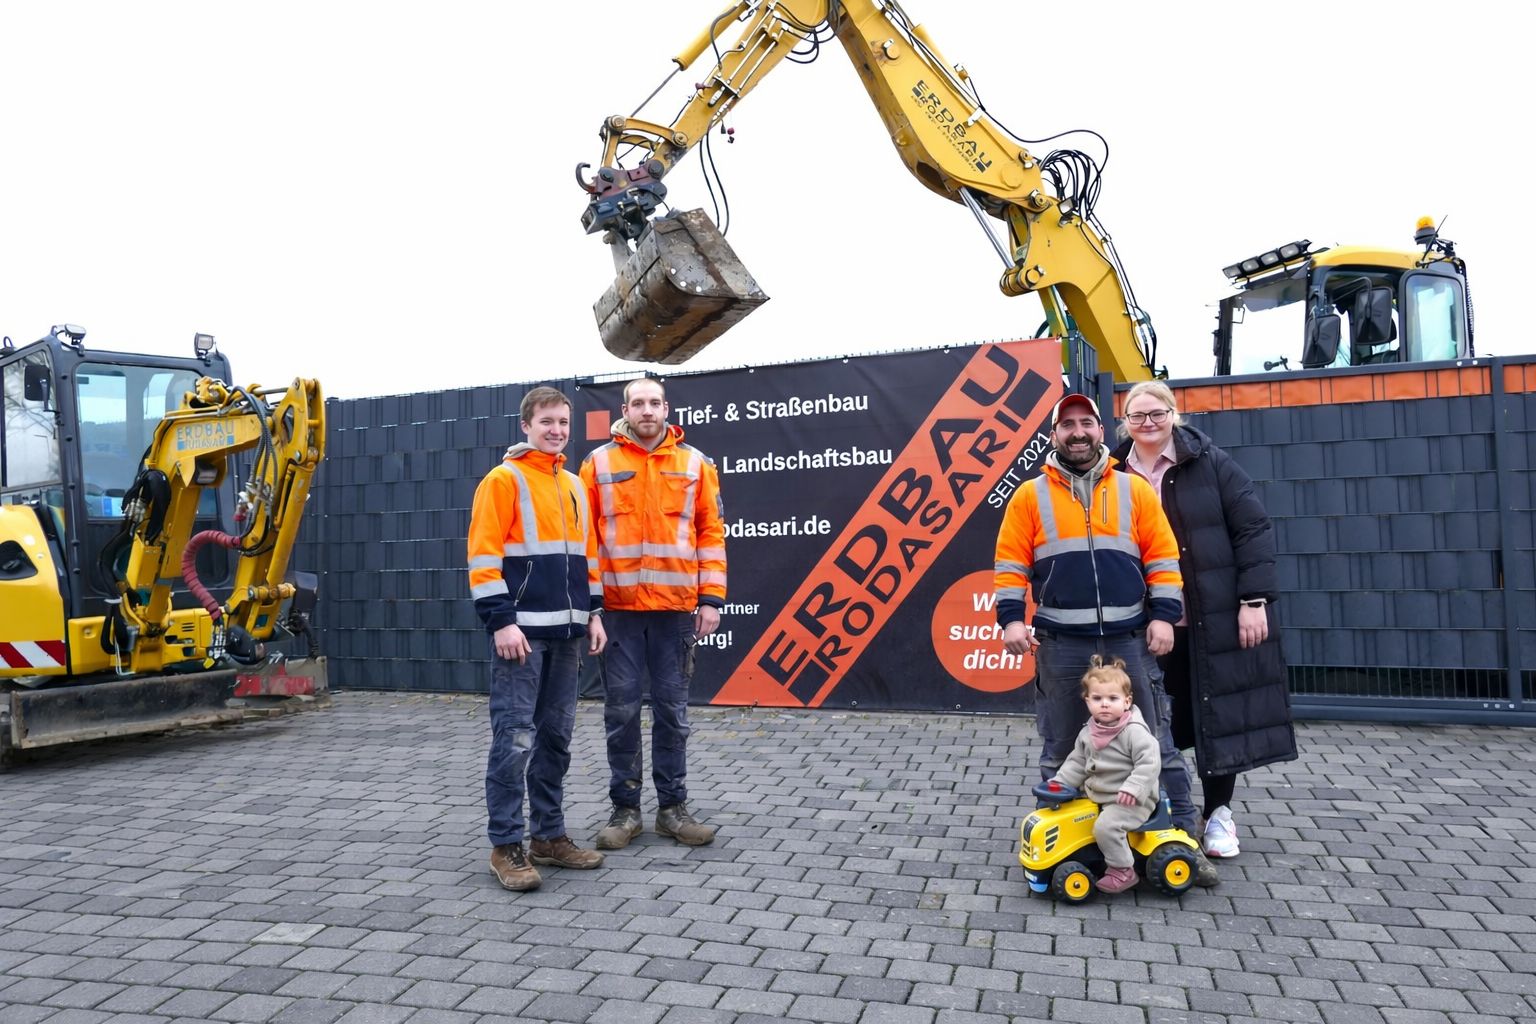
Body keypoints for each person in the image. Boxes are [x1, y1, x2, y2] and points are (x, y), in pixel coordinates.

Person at [995, 391, 1219, 887]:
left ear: (1101, 430)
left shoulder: (1133, 490)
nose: (1077, 433)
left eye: (1086, 423)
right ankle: (1074, 846)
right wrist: (1010, 620)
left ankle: (1184, 840)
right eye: (1067, 425)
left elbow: (1162, 557)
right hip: (1060, 644)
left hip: (1130, 639)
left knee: (1156, 744)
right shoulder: (1029, 496)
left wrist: (1165, 616)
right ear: (1054, 435)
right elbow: (1010, 564)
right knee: (1061, 748)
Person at [1111, 380, 1297, 859]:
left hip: (1207, 616)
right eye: (1137, 416)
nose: (1148, 423)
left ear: (1174, 414)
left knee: (1217, 714)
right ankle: (1162, 810)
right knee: (1152, 719)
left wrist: (1253, 600)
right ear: (1125, 422)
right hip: (1142, 620)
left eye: (1157, 413)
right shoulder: (1111, 468)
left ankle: (1218, 815)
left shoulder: (1211, 462)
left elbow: (1252, 528)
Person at [468, 386, 607, 892]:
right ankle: (506, 844)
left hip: (568, 635)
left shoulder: (573, 485)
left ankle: (548, 836)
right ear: (526, 425)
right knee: (514, 738)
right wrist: (501, 621)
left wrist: (594, 613)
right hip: (522, 635)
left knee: (555, 740)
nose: (556, 430)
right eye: (547, 421)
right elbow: (483, 557)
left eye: (563, 422)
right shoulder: (502, 480)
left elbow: (588, 556)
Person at [580, 378, 727, 849]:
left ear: (667, 409)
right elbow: (585, 539)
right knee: (621, 713)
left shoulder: (696, 463)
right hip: (618, 611)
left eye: (655, 403)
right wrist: (592, 605)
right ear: (625, 410)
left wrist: (711, 598)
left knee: (672, 714)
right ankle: (625, 811)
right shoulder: (598, 463)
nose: (647, 410)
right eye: (638, 403)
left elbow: (711, 532)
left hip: (675, 611)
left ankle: (672, 810)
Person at [1049, 655, 1161, 894]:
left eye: (1113, 698)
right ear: (1087, 701)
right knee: (1073, 818)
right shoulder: (1089, 732)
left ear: (1127, 701)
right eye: (1098, 699)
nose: (1105, 704)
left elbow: (1149, 763)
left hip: (1131, 800)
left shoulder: (1134, 732)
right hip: (1099, 794)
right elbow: (1077, 762)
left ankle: (1123, 870)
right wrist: (1059, 783)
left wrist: (1133, 788)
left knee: (1107, 827)